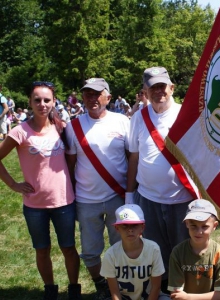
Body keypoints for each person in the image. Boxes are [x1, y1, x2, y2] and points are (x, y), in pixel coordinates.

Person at [0, 81, 81, 299]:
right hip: (34, 206)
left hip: (64, 201)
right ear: (30, 102)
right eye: (37, 100)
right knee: (42, 249)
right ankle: (50, 290)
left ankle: (74, 289)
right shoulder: (20, 132)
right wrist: (13, 184)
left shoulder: (62, 127)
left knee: (68, 247)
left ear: (54, 102)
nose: (42, 104)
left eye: (47, 100)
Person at [127, 67, 197, 293]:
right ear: (145, 92)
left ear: (172, 88)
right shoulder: (138, 118)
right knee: (155, 252)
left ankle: (185, 292)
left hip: (181, 198)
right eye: (153, 87)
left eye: (162, 86)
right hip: (148, 197)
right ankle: (163, 292)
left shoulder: (186, 114)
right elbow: (134, 157)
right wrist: (130, 196)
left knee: (184, 251)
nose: (159, 92)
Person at [65, 78, 130, 299]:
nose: (92, 98)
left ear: (108, 97)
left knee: (121, 245)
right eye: (88, 94)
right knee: (90, 250)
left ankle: (121, 284)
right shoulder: (73, 126)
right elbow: (70, 164)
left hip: (117, 196)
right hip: (86, 199)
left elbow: (132, 158)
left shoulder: (122, 121)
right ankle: (100, 283)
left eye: (97, 94)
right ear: (82, 97)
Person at [100, 204, 169, 300]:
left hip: (150, 297)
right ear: (117, 228)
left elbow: (156, 287)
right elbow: (115, 293)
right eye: (124, 226)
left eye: (134, 225)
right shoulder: (111, 254)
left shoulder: (153, 249)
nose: (130, 230)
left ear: (142, 227)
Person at [168, 199, 220, 299]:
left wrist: (189, 297)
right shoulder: (178, 252)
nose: (199, 232)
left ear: (214, 226)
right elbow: (176, 294)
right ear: (187, 224)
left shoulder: (219, 253)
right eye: (194, 226)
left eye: (204, 226)